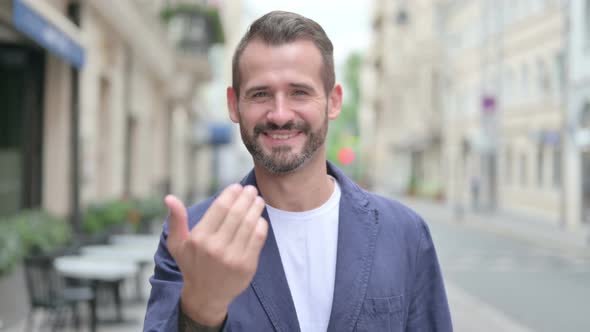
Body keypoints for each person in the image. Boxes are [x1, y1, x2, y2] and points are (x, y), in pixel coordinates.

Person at [143, 10, 452, 332]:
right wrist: (200, 312)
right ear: (234, 105)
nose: (279, 114)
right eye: (261, 94)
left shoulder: (403, 232)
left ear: (333, 102)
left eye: (299, 92)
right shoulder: (195, 235)